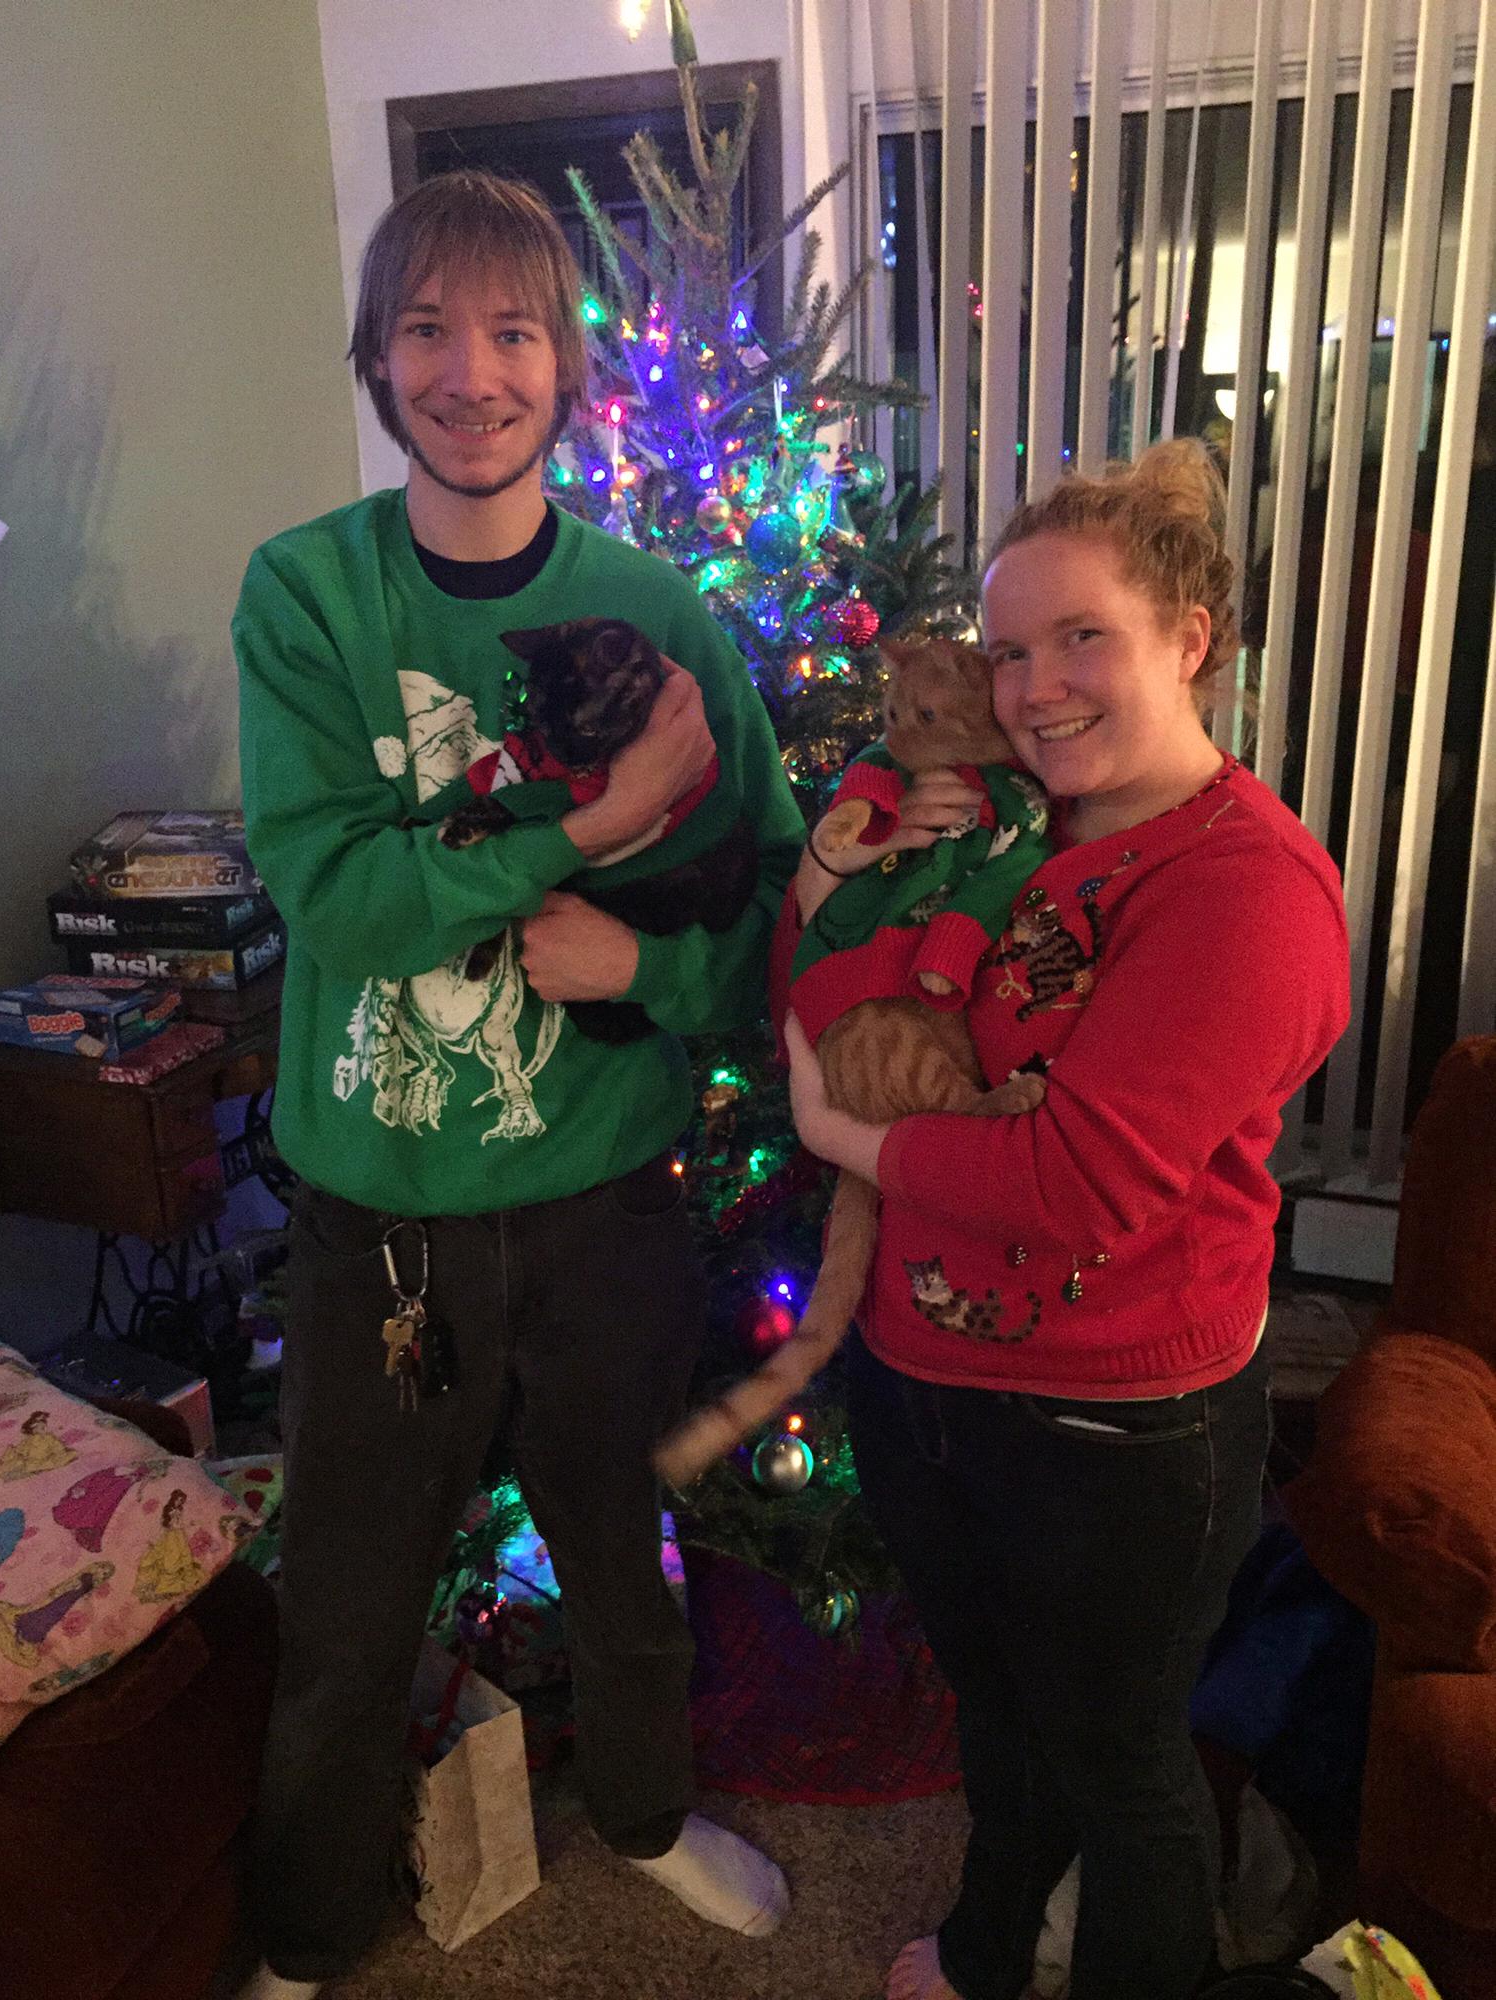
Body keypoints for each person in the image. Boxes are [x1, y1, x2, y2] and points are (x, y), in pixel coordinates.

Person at [231, 169, 804, 2000]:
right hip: (380, 1226)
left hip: (601, 1207)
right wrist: (591, 823)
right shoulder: (309, 593)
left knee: (619, 1558)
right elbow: (334, 891)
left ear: (566, 365)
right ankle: (310, 1931)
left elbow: (772, 901)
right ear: (376, 356)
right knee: (345, 1608)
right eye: (427, 330)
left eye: (510, 333)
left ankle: (640, 1817)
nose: (469, 374)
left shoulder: (656, 610)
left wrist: (643, 962)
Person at [778, 440, 1351, 2000]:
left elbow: (1076, 1184)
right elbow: (843, 970)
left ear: (1191, 638)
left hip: (1117, 1424)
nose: (1034, 688)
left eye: (1082, 637)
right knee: (1001, 1715)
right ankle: (988, 1953)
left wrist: (842, 1134)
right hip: (924, 1375)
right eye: (1011, 648)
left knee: (1119, 1762)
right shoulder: (1015, 827)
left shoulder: (1248, 890)